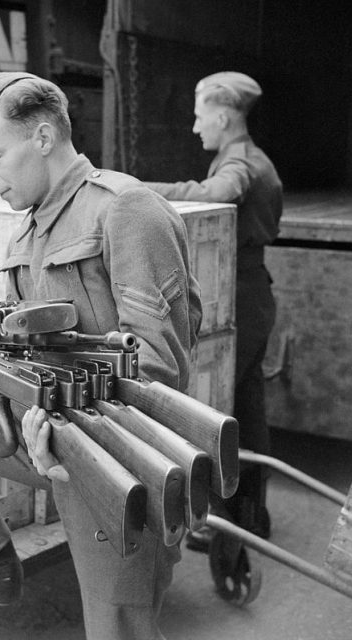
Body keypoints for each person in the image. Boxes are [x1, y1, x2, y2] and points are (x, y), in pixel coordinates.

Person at [0, 71, 202, 640]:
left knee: (116, 627)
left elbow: (159, 370)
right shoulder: (25, 236)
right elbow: (17, 346)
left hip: (115, 454)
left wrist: (61, 419)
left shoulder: (126, 211)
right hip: (40, 432)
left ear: (45, 137)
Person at [145, 71, 283, 545]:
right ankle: (250, 516)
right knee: (245, 407)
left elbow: (217, 194)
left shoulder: (239, 162)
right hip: (252, 293)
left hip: (240, 295)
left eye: (200, 114)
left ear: (223, 116)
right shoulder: (245, 155)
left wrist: (143, 191)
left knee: (213, 409)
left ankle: (219, 521)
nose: (194, 125)